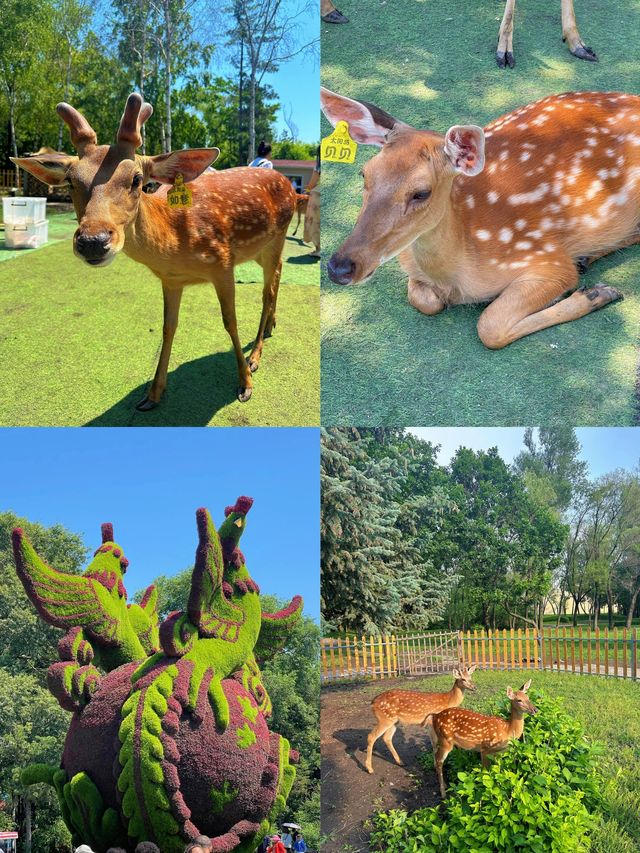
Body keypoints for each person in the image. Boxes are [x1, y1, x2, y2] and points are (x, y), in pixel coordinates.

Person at [303, 147, 321, 258]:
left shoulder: (319, 164)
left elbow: (313, 181)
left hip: (318, 194)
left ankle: (319, 249)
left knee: (315, 222)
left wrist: (308, 189)